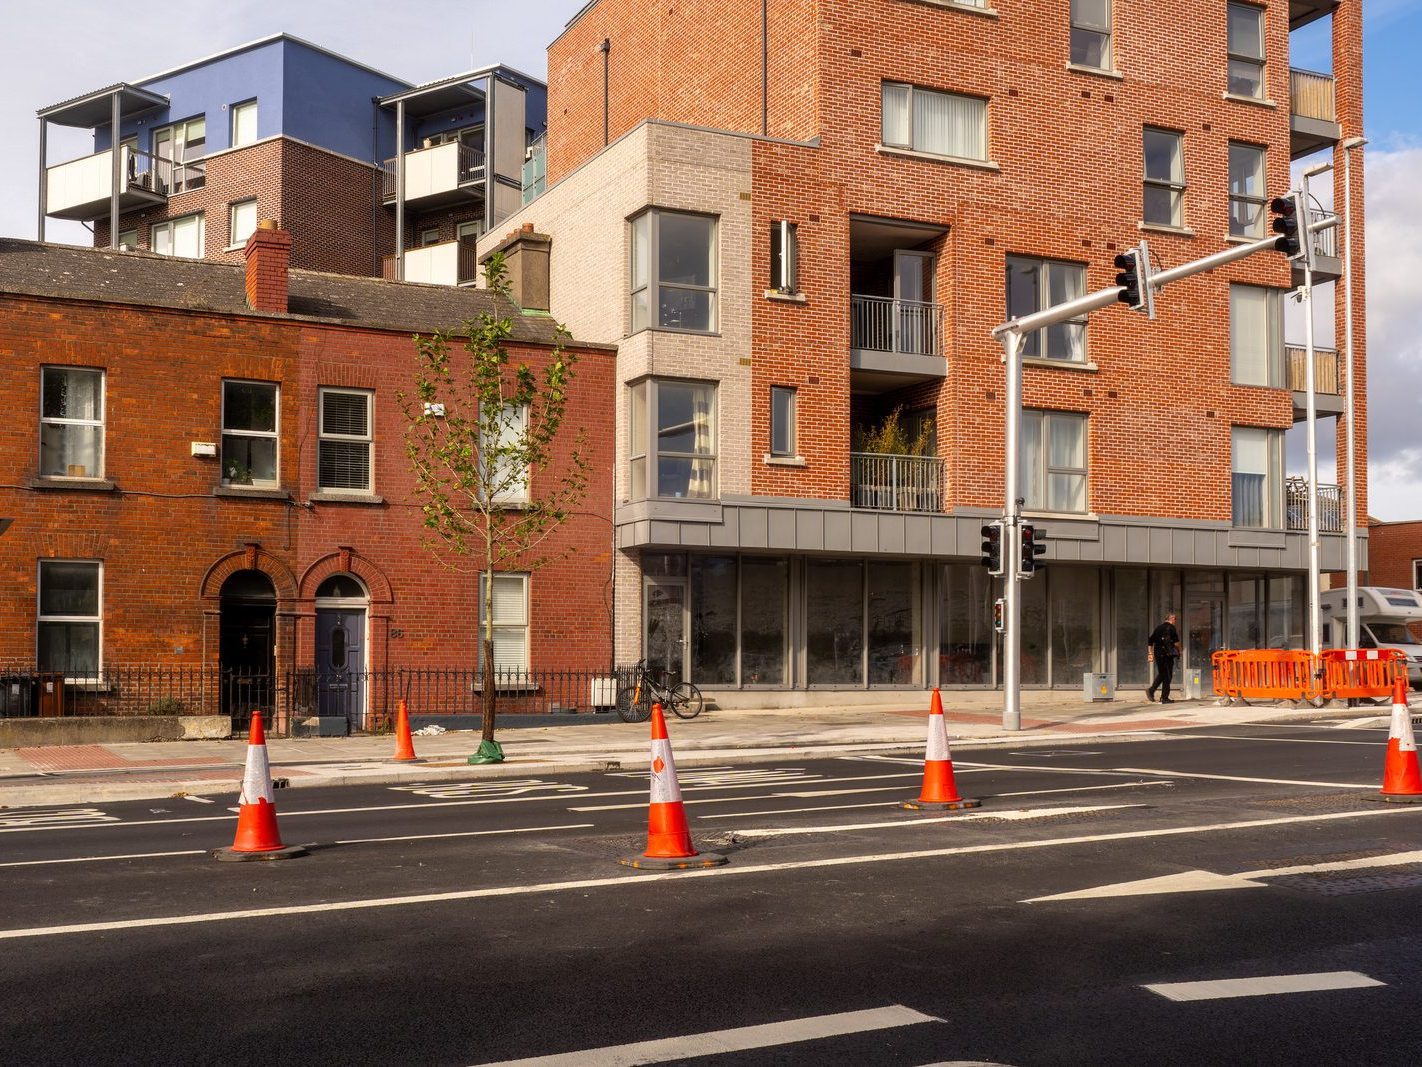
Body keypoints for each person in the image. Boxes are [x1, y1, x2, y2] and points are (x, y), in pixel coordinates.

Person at [1146, 612, 1182, 704]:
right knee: (1167, 676)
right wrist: (1179, 651)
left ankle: (1151, 690)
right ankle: (1164, 698)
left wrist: (1150, 653)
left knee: (1163, 673)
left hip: (1158, 654)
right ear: (1172, 618)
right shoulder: (1171, 628)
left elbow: (1150, 641)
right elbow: (1176, 643)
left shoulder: (1158, 628)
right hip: (1167, 655)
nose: (1175, 621)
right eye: (1175, 619)